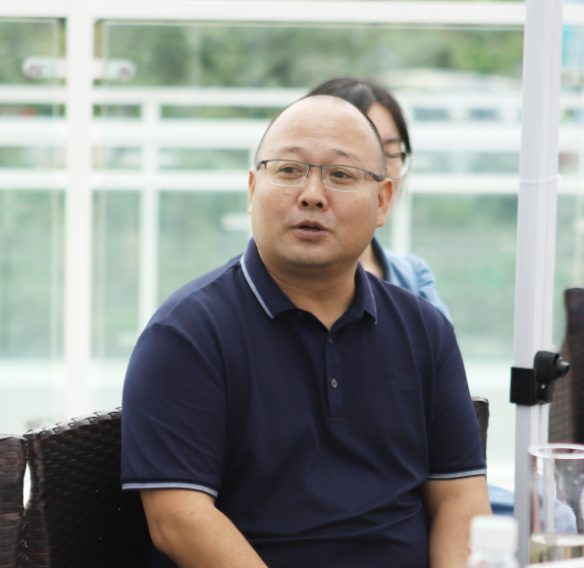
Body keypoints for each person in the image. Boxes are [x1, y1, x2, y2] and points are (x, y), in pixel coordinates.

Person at [122, 95, 491, 568]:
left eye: (341, 175)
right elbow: (178, 520)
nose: (312, 194)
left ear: (382, 201)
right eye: (289, 170)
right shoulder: (187, 334)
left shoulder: (424, 329)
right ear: (252, 188)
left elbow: (461, 499)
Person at [306, 77, 451, 319]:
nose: (380, 172)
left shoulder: (414, 279)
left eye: (390, 153)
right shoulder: (276, 281)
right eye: (355, 153)